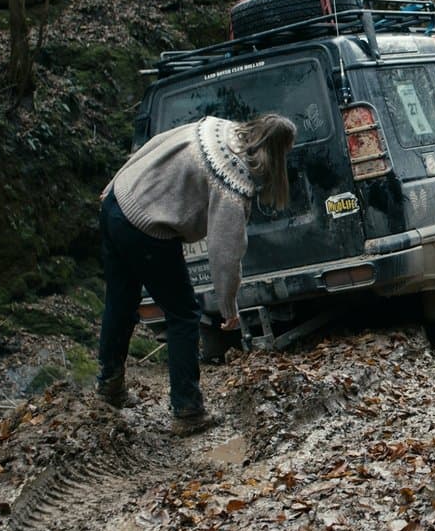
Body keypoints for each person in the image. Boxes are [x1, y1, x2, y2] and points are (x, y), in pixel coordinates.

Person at [95, 113, 296, 435]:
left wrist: (113, 183)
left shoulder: (214, 126)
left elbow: (156, 144)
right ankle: (187, 410)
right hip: (146, 228)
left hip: (118, 201)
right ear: (277, 152)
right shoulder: (234, 179)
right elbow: (225, 253)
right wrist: (229, 308)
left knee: (121, 300)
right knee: (185, 314)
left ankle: (109, 387)